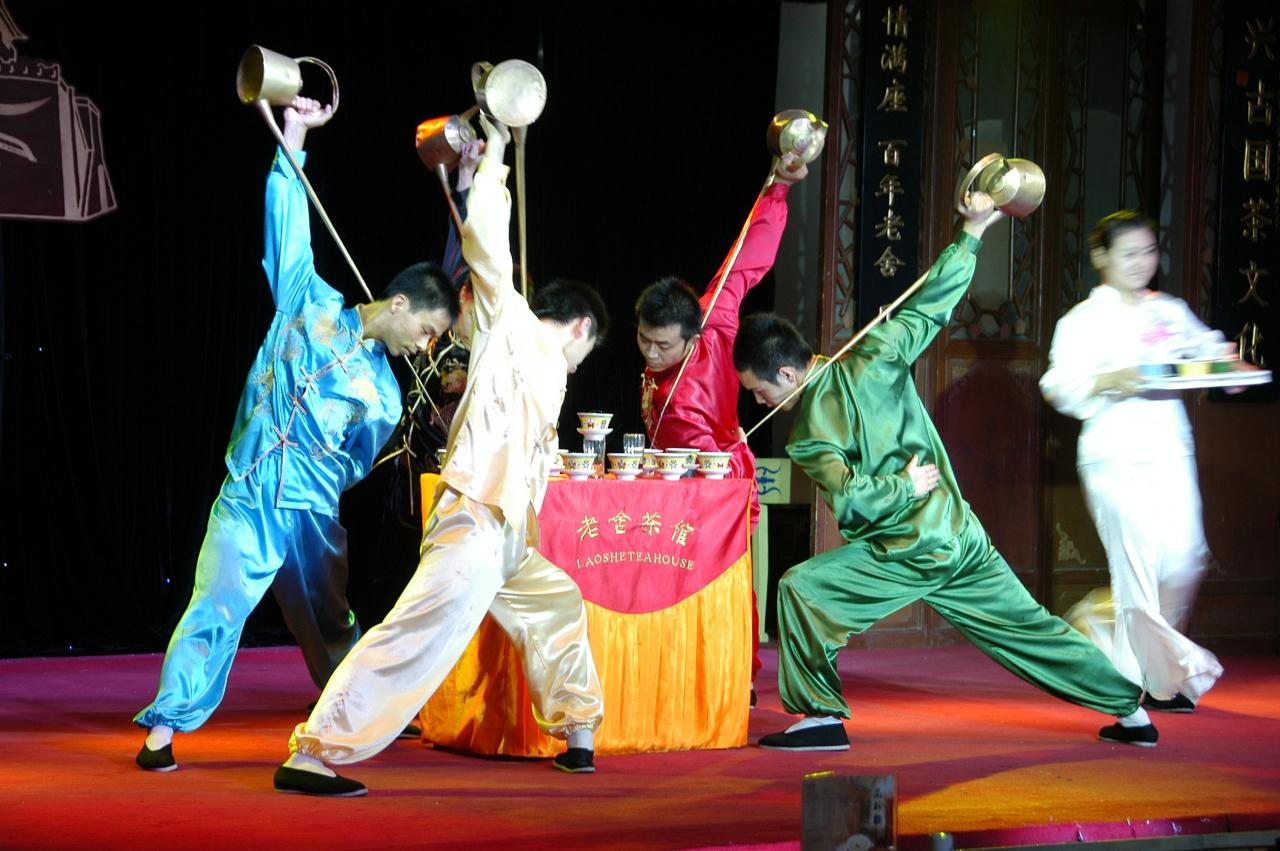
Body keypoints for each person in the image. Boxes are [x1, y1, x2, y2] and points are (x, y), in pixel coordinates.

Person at [733, 192, 1158, 751]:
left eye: (758, 391)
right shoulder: (874, 353)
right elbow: (931, 305)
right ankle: (1132, 711)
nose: (760, 403)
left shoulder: (809, 432)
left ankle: (820, 719)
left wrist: (901, 486)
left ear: (787, 374)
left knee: (800, 589)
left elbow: (853, 498)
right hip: (957, 531)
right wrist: (973, 231)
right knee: (1029, 629)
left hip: (906, 549)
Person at [272, 114, 608, 797]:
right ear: (582, 327)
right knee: (415, 635)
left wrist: (471, 173)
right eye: (588, 348)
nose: (583, 360)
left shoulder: (541, 362)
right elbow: (487, 244)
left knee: (556, 600)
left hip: (507, 534)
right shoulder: (513, 323)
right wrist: (496, 158)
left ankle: (578, 729)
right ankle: (314, 750)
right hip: (475, 519)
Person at [133, 98, 458, 771]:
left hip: (311, 511)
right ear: (400, 303)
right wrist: (296, 134)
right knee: (215, 601)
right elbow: (288, 216)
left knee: (328, 621)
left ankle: (359, 709)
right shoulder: (306, 299)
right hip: (250, 492)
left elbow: (357, 463)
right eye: (426, 330)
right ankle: (165, 723)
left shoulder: (386, 394)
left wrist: (316, 473)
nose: (424, 346)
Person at [1040, 210, 1228, 712]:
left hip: (1170, 450)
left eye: (1148, 251)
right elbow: (1057, 384)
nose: (1141, 262)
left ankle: (1096, 624)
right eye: (1129, 253)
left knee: (1184, 560)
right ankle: (1139, 688)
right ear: (1101, 256)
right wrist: (1109, 380)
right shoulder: (1081, 320)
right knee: (1137, 574)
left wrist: (1228, 365)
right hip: (1113, 455)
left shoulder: (1169, 310)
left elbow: (1205, 351)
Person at [635, 153, 807, 697]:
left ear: (690, 337)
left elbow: (747, 258)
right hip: (669, 489)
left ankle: (734, 677)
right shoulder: (665, 352)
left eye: (663, 345)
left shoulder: (715, 323)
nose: (652, 353)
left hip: (722, 481)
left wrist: (779, 189)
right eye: (644, 340)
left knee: (723, 580)